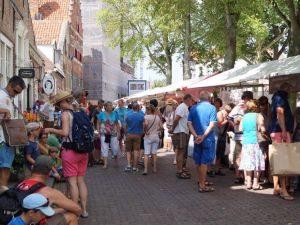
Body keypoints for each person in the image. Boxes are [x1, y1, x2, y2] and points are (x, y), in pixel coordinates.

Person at [44, 91, 89, 217]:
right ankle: (84, 210)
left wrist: (51, 129)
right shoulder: (80, 112)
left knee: (72, 182)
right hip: (83, 151)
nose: (58, 107)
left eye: (59, 104)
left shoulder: (65, 114)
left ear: (63, 102)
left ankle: (75, 211)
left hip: (70, 151)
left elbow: (64, 133)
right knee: (81, 181)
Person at [21, 155, 81, 224]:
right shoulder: (49, 192)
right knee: (72, 216)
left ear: (32, 168)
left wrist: (61, 210)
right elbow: (77, 209)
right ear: (49, 173)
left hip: (19, 219)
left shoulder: (20, 184)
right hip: (32, 222)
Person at [187, 91, 217, 192]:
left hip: (197, 138)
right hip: (207, 138)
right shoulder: (212, 108)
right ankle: (202, 185)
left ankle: (201, 182)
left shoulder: (193, 108)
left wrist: (196, 136)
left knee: (198, 161)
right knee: (204, 161)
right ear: (209, 98)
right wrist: (203, 136)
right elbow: (212, 124)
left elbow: (189, 123)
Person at [0, 76, 26, 187]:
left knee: (5, 169)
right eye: (15, 91)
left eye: (18, 93)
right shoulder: (2, 95)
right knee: (5, 170)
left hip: (6, 138)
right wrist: (5, 110)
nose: (15, 94)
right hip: (3, 139)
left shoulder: (8, 97)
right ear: (9, 84)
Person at [270, 82, 294, 200]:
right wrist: (284, 130)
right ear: (287, 89)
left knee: (278, 159)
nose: (291, 92)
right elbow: (280, 113)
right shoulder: (280, 97)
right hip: (280, 131)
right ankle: (283, 189)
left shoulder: (276, 97)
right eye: (290, 89)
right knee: (283, 159)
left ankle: (277, 187)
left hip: (277, 131)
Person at [239, 100, 265, 190]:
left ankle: (249, 183)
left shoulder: (244, 117)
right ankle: (255, 183)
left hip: (246, 142)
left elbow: (240, 128)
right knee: (257, 163)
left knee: (248, 163)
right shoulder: (258, 115)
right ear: (256, 107)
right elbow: (263, 128)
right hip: (256, 142)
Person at [228, 91, 253, 184]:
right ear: (248, 98)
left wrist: (234, 125)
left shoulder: (237, 106)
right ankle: (247, 178)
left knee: (238, 155)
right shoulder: (245, 106)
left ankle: (238, 176)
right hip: (246, 134)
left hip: (238, 134)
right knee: (246, 155)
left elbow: (229, 117)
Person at [169, 94, 194, 179]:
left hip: (182, 131)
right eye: (192, 100)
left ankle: (181, 170)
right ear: (188, 99)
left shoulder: (183, 107)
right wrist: (172, 129)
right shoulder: (183, 107)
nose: (192, 102)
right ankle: (179, 171)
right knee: (181, 152)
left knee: (181, 152)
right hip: (181, 131)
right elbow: (176, 119)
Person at [98, 101, 120, 168]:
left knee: (115, 149)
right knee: (104, 148)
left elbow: (117, 123)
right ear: (105, 107)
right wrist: (98, 132)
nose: (111, 106)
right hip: (104, 134)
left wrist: (119, 132)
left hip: (113, 134)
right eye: (109, 105)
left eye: (111, 105)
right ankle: (105, 164)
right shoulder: (101, 114)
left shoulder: (115, 114)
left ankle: (116, 160)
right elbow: (98, 123)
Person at [124, 103, 144, 172]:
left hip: (129, 134)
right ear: (138, 108)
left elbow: (125, 125)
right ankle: (135, 167)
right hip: (137, 135)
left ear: (132, 108)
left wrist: (126, 133)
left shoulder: (128, 116)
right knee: (136, 151)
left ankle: (129, 165)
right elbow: (143, 125)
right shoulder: (141, 116)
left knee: (128, 151)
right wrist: (142, 132)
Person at [143, 104, 162, 175]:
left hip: (148, 136)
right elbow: (161, 127)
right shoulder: (157, 117)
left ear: (149, 110)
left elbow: (145, 124)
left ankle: (145, 170)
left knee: (146, 153)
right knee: (154, 153)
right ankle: (154, 168)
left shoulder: (146, 117)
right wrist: (157, 130)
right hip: (155, 136)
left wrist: (145, 131)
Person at [215, 102, 232, 176]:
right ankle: (215, 170)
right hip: (219, 136)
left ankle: (217, 169)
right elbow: (219, 124)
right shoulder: (220, 113)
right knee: (218, 154)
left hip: (222, 136)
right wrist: (227, 120)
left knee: (220, 154)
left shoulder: (225, 114)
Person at [257, 96, 271, 183]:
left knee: (268, 158)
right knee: (264, 158)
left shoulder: (270, 113)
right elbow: (262, 129)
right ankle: (261, 176)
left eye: (264, 104)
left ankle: (267, 176)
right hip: (262, 138)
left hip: (268, 138)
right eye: (261, 104)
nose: (263, 106)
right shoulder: (259, 115)